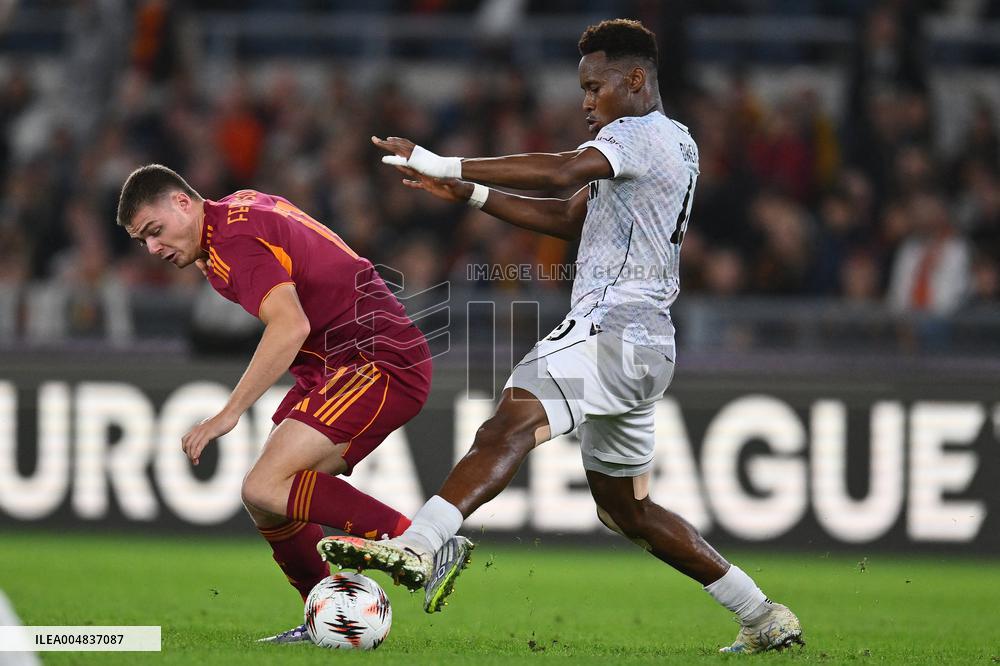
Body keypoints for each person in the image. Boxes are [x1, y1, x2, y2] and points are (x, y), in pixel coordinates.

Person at [317, 19, 803, 654]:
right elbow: (568, 215)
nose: (585, 101)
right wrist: (467, 192)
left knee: (509, 423)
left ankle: (420, 543)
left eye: (594, 86)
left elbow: (559, 176)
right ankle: (762, 614)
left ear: (635, 79)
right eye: (582, 88)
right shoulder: (677, 144)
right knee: (626, 511)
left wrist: (443, 159)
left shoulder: (634, 135)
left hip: (612, 329)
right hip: (646, 344)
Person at [116, 164, 450, 643]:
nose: (152, 249)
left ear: (183, 203)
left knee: (265, 485)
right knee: (268, 503)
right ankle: (327, 615)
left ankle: (420, 543)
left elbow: (289, 325)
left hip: (375, 359)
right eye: (141, 240)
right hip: (339, 363)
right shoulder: (234, 211)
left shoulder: (231, 244)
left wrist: (227, 413)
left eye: (155, 231)